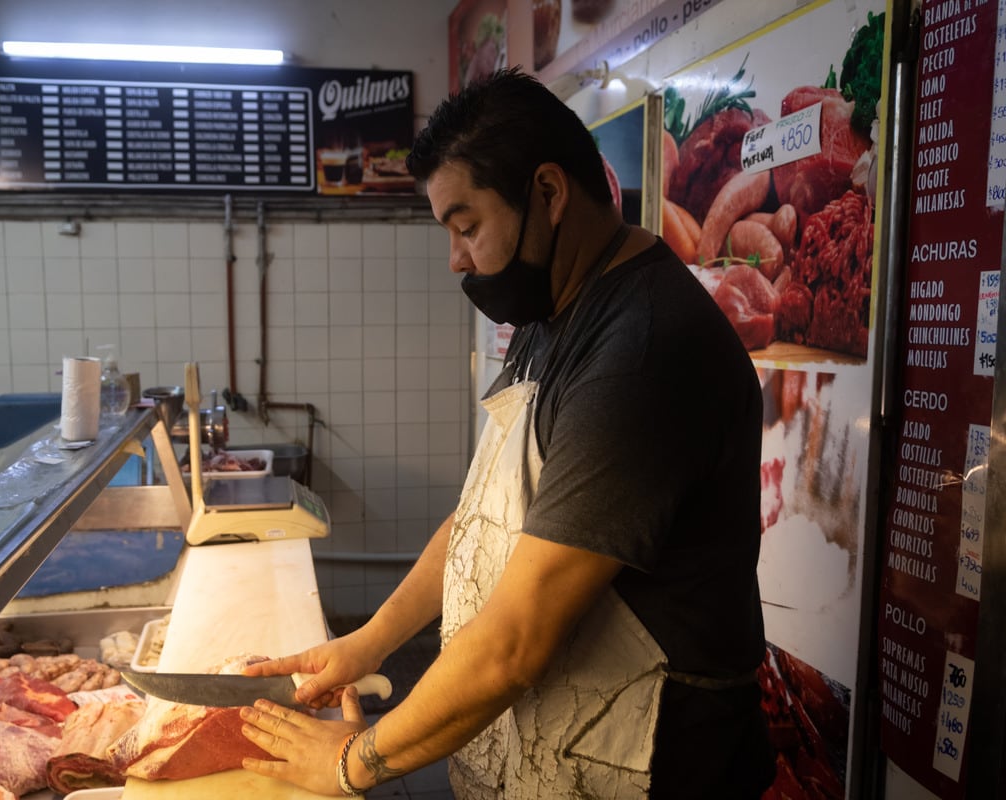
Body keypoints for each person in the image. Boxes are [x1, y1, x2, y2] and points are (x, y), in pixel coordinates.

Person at [239, 66, 774, 799]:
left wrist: (349, 762)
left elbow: (517, 640)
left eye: (467, 227)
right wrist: (361, 646)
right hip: (565, 749)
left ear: (548, 194)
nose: (458, 259)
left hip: (657, 765)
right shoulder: (555, 308)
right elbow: (481, 521)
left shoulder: (642, 351)